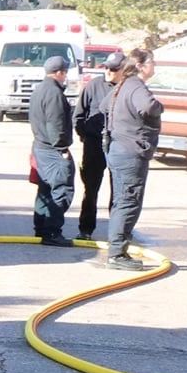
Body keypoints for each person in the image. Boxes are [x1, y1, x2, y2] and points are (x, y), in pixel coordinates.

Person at [104, 46, 164, 270]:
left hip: (118, 149)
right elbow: (149, 106)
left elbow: (103, 106)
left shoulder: (122, 85)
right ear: (140, 66)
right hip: (130, 153)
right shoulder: (136, 86)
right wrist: (160, 107)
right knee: (128, 202)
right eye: (152, 63)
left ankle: (118, 249)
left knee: (122, 201)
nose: (154, 66)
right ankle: (116, 254)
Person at [72, 52, 122, 239]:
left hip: (118, 145)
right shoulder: (94, 86)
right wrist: (85, 135)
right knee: (91, 189)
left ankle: (116, 233)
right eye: (107, 67)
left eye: (114, 69)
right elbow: (78, 115)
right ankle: (85, 230)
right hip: (94, 144)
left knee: (118, 191)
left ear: (122, 70)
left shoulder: (126, 88)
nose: (109, 71)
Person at [29, 54, 76, 245]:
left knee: (45, 189)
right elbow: (55, 124)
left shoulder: (39, 89)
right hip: (52, 150)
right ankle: (52, 233)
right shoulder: (54, 94)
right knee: (62, 190)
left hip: (40, 147)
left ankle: (40, 228)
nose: (66, 76)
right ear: (58, 73)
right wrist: (63, 149)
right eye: (65, 72)